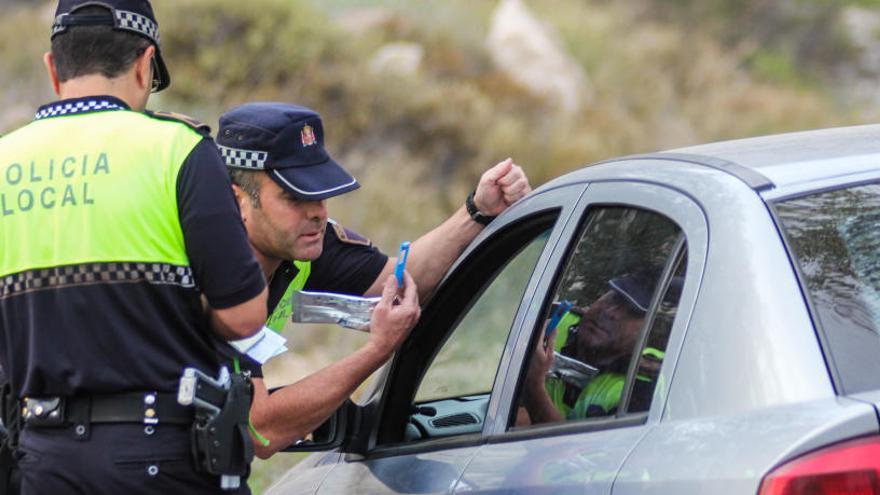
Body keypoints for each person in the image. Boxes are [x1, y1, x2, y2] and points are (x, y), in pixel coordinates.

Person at [0, 1, 271, 493]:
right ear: (146, 64)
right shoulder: (179, 149)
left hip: (41, 459)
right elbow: (245, 315)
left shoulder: (3, 161)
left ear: (53, 68)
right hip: (160, 457)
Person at [215, 102, 531, 457]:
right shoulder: (205, 273)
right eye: (294, 196)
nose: (318, 211)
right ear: (238, 200)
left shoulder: (300, 240)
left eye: (320, 192)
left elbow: (398, 281)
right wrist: (378, 349)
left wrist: (478, 210)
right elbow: (262, 430)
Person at [521, 273, 665, 424]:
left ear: (649, 332)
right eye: (613, 299)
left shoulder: (643, 386)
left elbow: (575, 447)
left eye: (631, 312)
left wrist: (534, 384)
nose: (610, 313)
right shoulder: (555, 323)